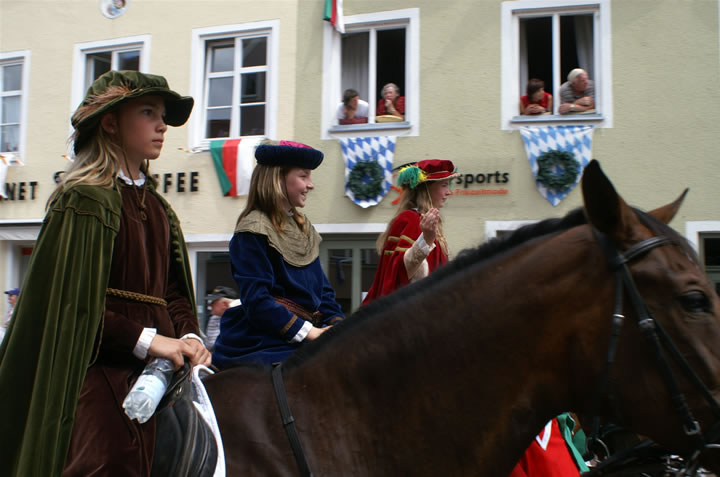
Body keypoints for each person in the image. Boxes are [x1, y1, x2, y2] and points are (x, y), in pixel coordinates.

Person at [0, 70, 211, 477]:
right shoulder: (85, 201)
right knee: (106, 457)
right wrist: (150, 341)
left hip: (164, 365)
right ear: (111, 123)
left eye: (162, 115)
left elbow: (174, 292)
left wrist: (189, 336)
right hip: (99, 368)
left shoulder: (159, 208)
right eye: (148, 112)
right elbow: (72, 308)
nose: (162, 126)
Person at [212, 140, 345, 368]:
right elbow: (257, 301)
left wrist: (337, 324)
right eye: (303, 176)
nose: (310, 185)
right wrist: (310, 332)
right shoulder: (253, 230)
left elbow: (323, 291)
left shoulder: (304, 228)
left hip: (306, 334)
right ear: (278, 179)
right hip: (263, 340)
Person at [362, 160, 459, 304]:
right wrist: (425, 240)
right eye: (444, 185)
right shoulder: (410, 219)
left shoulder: (427, 222)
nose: (448, 192)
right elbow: (399, 271)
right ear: (426, 188)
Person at [204, 285, 240, 351]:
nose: (210, 305)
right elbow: (209, 345)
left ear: (224, 304)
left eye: (213, 302)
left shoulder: (242, 317)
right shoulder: (213, 318)